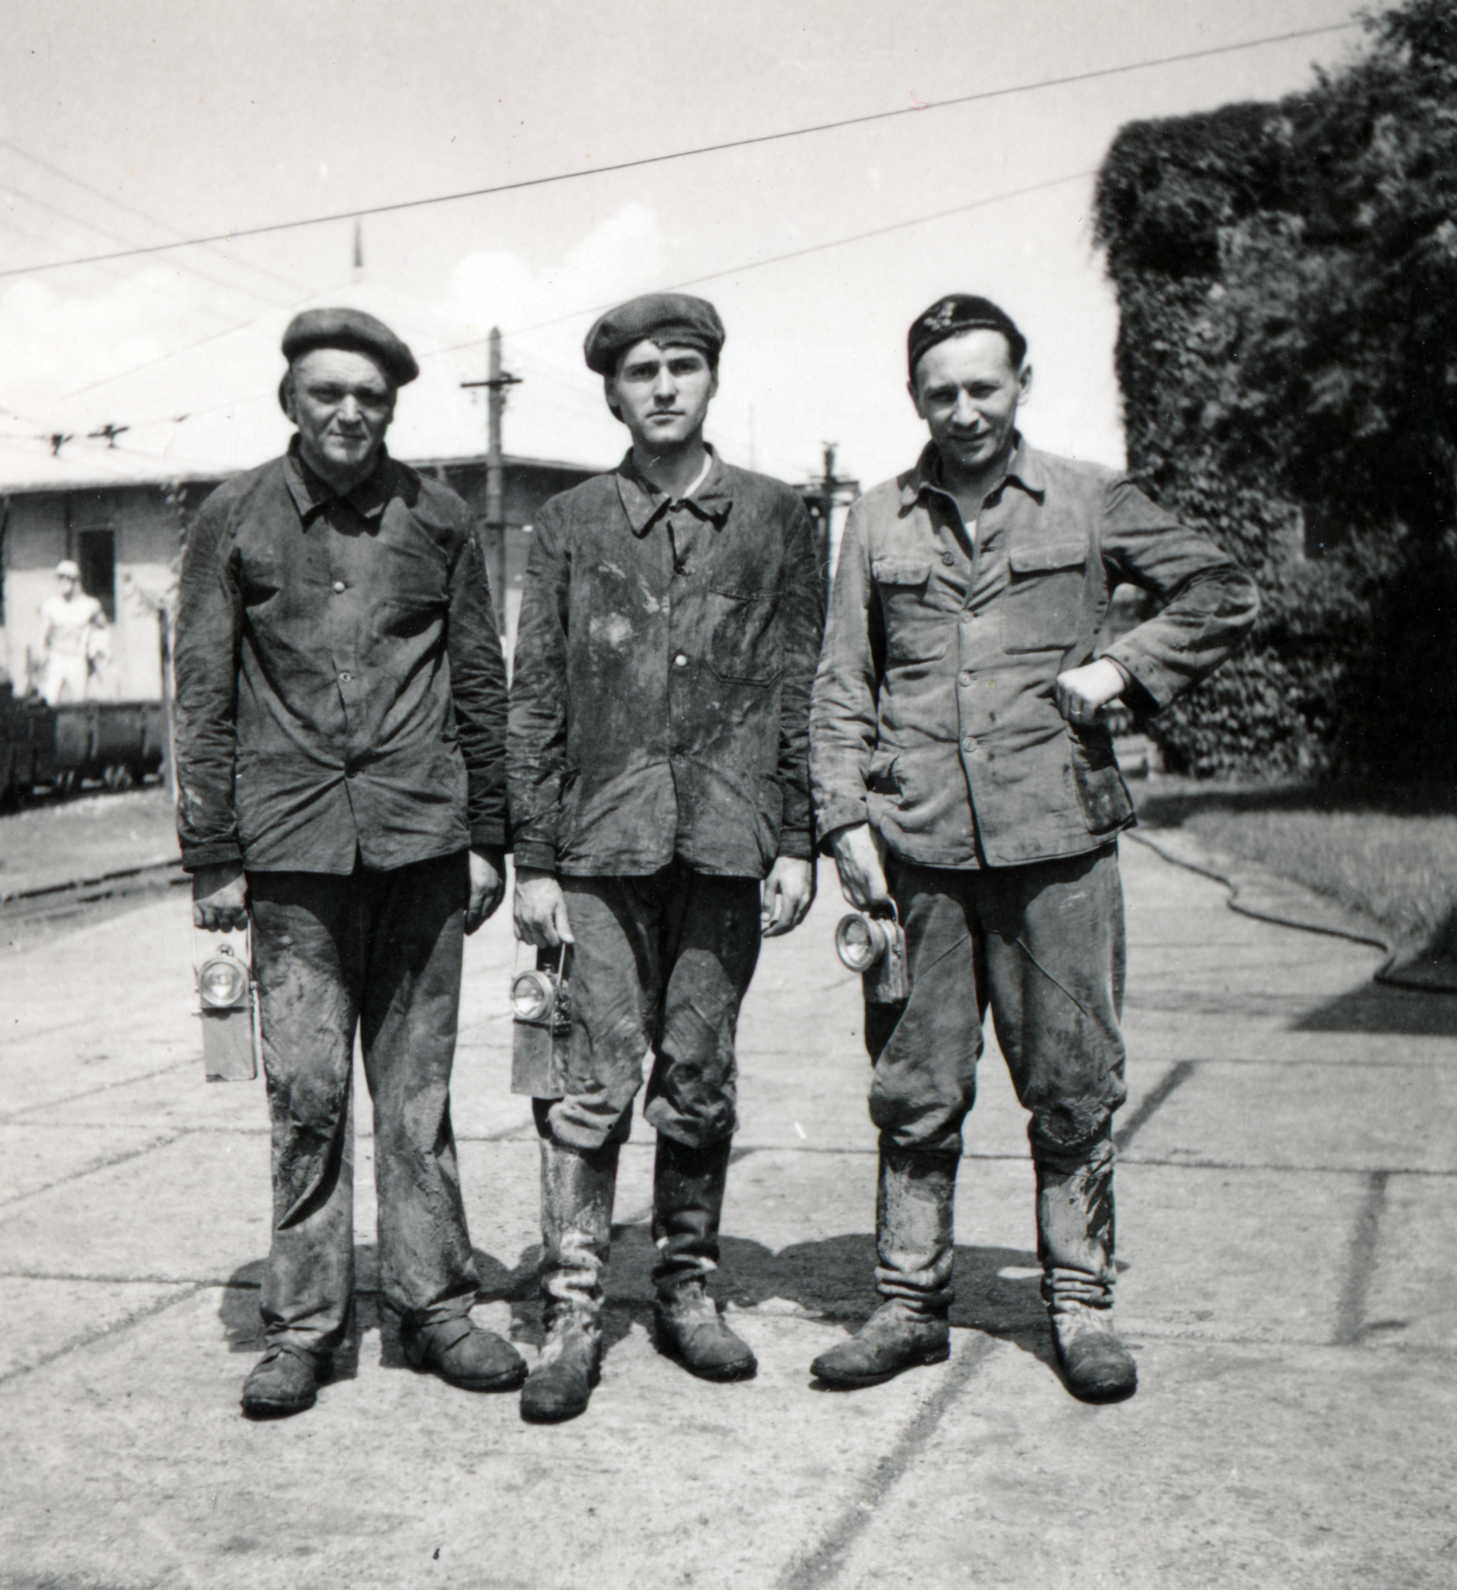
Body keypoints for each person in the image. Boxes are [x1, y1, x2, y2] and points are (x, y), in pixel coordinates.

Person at [808, 294, 1259, 1401]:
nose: (963, 411)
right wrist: (840, 825)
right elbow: (839, 685)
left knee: (1071, 1086)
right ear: (913, 396)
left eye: (983, 387)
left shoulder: (1089, 496)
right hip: (915, 854)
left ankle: (1078, 1303)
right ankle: (909, 1304)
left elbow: (1221, 588)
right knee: (914, 1089)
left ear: (1021, 382)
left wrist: (1123, 667)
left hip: (1057, 844)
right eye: (940, 392)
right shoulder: (875, 520)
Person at [175, 306, 525, 1418]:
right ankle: (305, 1329)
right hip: (292, 858)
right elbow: (202, 696)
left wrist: (488, 839)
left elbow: (481, 681)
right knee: (309, 1096)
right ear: (290, 399)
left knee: (415, 1096)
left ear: (391, 408)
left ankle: (436, 1311)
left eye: (369, 397)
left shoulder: (439, 518)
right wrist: (213, 858)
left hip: (424, 842)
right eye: (327, 391)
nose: (348, 412)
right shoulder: (230, 520)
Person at [508, 292, 826, 1422]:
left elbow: (800, 686)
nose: (660, 386)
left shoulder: (780, 520)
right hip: (599, 846)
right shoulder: (568, 525)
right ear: (609, 391)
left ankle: (688, 1291)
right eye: (638, 370)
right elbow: (534, 692)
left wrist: (796, 838)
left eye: (680, 366)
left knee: (698, 1078)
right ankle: (572, 1311)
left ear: (710, 381)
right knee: (590, 1087)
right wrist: (532, 858)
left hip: (730, 843)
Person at [37, 559, 108, 704]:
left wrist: (96, 649)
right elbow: (42, 636)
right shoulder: (51, 606)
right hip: (57, 657)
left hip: (77, 658)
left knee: (79, 701)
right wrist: (42, 658)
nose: (63, 581)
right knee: (50, 700)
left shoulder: (90, 605)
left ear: (76, 580)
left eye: (68, 577)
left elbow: (103, 628)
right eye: (60, 577)